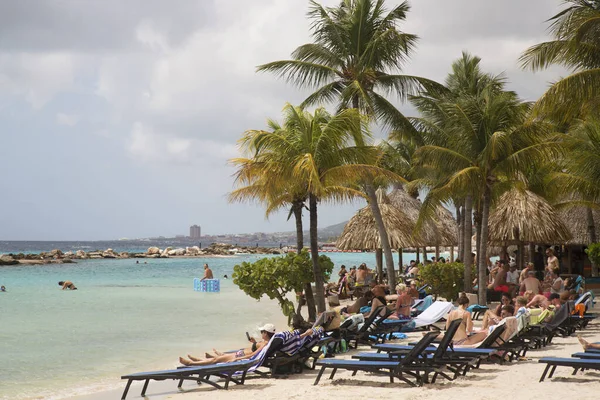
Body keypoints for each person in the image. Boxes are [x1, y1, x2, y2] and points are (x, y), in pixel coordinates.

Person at [179, 324, 275, 366]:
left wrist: (236, 359)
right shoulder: (266, 342)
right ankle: (199, 360)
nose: (261, 333)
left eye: (262, 331)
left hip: (240, 355)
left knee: (215, 360)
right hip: (240, 353)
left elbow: (252, 355)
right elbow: (255, 350)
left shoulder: (265, 343)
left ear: (266, 333)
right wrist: (254, 342)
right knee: (216, 359)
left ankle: (190, 363)